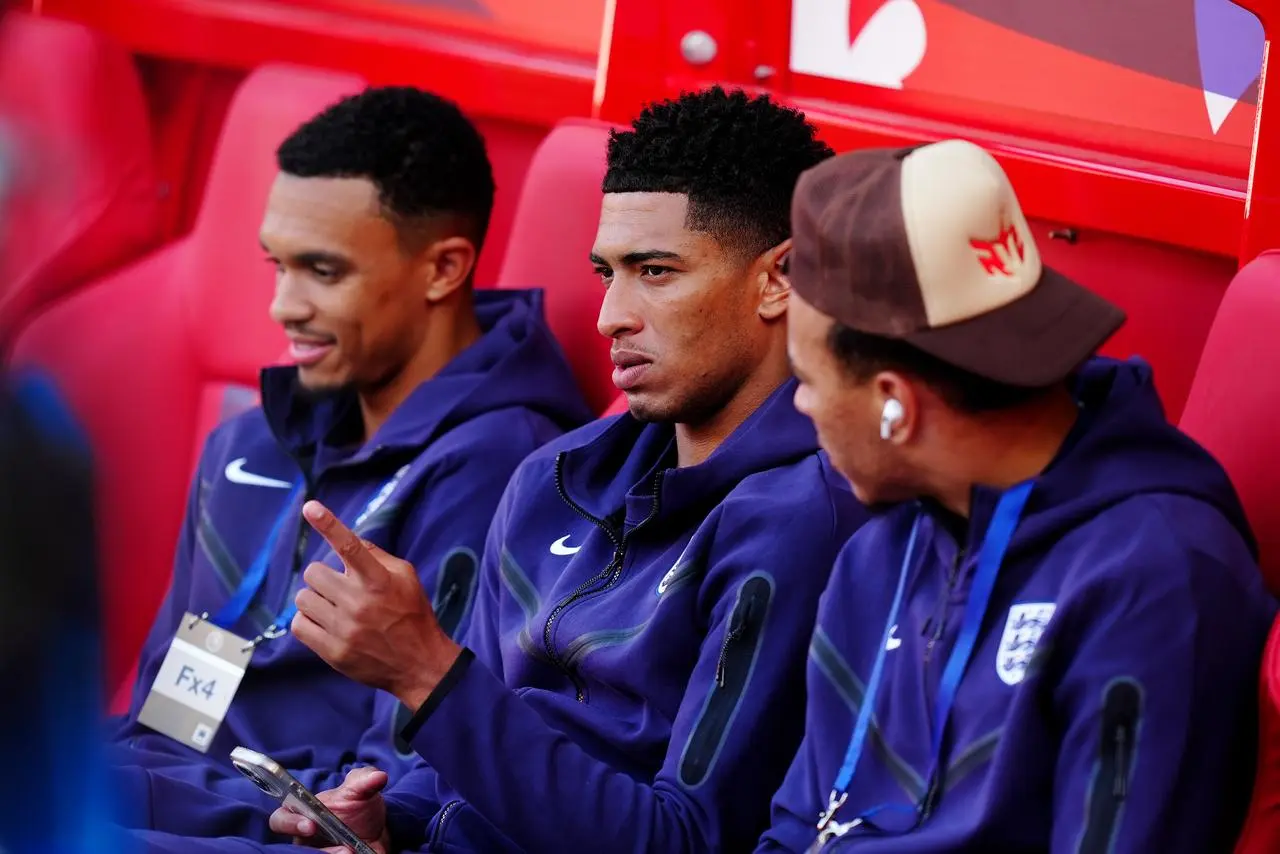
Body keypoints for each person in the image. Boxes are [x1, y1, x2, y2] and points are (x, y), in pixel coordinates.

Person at [257, 85, 868, 854]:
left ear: (777, 279)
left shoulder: (804, 521)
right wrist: (384, 820)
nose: (612, 314)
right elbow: (440, 775)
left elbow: (685, 842)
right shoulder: (552, 477)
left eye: (654, 271)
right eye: (605, 272)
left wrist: (427, 675)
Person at [759, 139, 1276, 852]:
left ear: (895, 406)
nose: (801, 407)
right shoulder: (877, 554)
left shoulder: (1155, 580)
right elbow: (792, 830)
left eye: (807, 379)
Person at [107, 85, 593, 838]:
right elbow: (168, 720)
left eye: (323, 272)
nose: (283, 305)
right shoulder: (246, 445)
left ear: (443, 269)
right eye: (277, 266)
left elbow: (390, 792)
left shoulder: (506, 470)